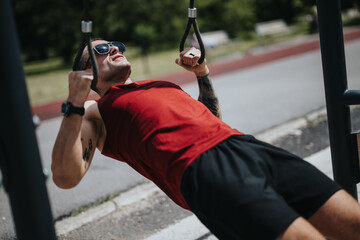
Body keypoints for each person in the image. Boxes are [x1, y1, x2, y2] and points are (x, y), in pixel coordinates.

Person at [52, 39, 360, 240]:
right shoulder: (95, 111)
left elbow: (212, 118)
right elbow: (66, 177)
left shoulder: (159, 85)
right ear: (86, 73)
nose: (114, 49)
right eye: (101, 51)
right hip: (202, 170)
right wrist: (74, 103)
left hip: (244, 146)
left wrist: (202, 72)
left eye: (115, 44)